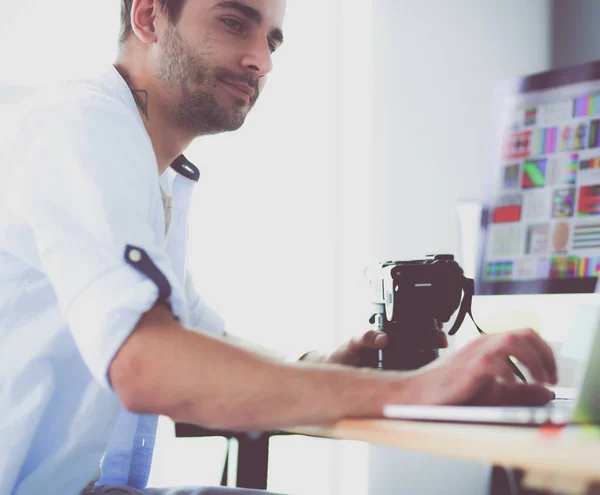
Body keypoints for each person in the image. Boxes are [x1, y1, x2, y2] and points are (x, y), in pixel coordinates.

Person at [0, 0, 558, 494]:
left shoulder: (154, 178)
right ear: (148, 16)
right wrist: (416, 389)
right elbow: (150, 363)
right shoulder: (83, 127)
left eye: (270, 39)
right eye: (233, 21)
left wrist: (327, 366)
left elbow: (198, 339)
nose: (260, 61)